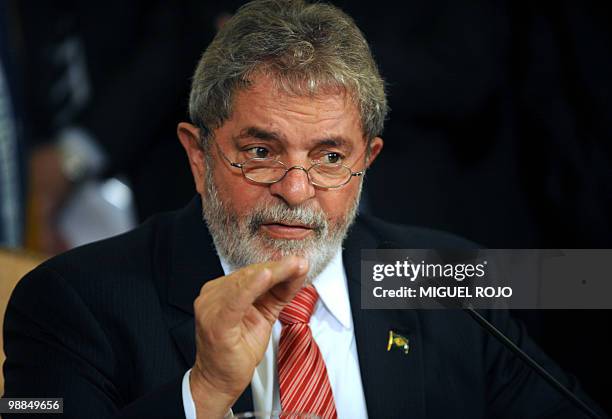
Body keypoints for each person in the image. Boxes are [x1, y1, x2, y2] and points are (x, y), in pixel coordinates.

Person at [2, 1, 605, 418]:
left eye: (329, 157)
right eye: (260, 152)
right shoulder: (73, 301)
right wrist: (204, 393)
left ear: (366, 160)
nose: (295, 189)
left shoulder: (446, 278)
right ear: (198, 153)